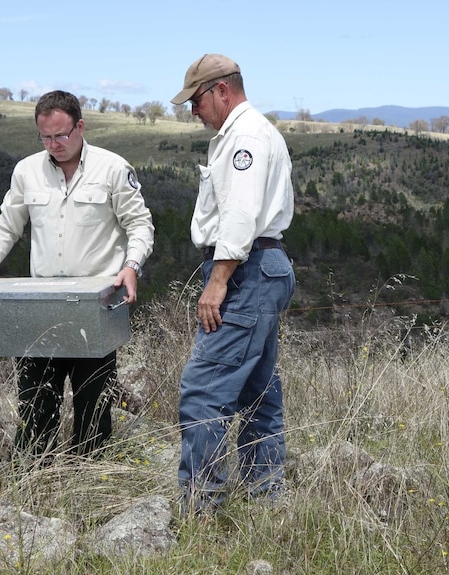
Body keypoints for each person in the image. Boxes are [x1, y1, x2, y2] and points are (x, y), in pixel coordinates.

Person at [0, 90, 154, 457]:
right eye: (45, 137)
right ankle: (33, 482)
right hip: (41, 306)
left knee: (92, 407)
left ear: (80, 126)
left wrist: (131, 267)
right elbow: (6, 226)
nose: (54, 145)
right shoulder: (26, 171)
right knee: (35, 404)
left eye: (61, 135)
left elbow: (140, 224)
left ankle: (90, 486)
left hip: (96, 306)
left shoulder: (113, 168)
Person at [171, 54, 295, 513]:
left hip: (244, 271)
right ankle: (266, 501)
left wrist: (219, 279)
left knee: (204, 389)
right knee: (256, 392)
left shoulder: (243, 135)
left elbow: (240, 213)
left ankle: (202, 506)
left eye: (197, 100)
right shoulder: (247, 131)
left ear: (223, 90)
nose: (193, 111)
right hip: (261, 267)